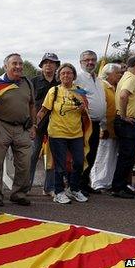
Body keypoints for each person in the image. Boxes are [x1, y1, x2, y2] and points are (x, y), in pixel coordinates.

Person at [0, 53, 36, 207]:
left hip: (22, 128)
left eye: (20, 63)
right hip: (1, 126)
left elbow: (32, 104)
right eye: (14, 64)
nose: (18, 66)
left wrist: (34, 125)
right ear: (6, 66)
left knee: (24, 163)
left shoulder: (27, 83)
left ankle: (19, 194)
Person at [36, 63, 90, 204]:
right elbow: (44, 110)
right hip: (57, 132)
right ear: (59, 76)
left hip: (76, 133)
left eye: (69, 73)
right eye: (63, 73)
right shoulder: (53, 91)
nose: (66, 75)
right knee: (60, 165)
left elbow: (85, 115)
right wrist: (35, 123)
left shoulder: (80, 91)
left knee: (78, 162)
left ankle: (73, 189)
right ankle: (59, 192)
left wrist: (84, 109)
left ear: (74, 75)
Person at [110, 54, 135, 199]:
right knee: (126, 156)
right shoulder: (130, 78)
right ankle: (118, 187)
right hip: (128, 123)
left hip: (130, 123)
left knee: (129, 157)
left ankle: (122, 185)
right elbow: (123, 96)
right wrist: (124, 116)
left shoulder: (128, 77)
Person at [29, 52, 60, 196]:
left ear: (56, 66)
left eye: (52, 62)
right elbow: (28, 103)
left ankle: (49, 187)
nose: (49, 65)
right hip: (37, 124)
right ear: (41, 65)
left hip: (55, 125)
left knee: (53, 156)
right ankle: (25, 187)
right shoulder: (33, 82)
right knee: (32, 155)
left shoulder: (60, 83)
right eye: (46, 62)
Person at [75, 50, 106, 194]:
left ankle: (85, 182)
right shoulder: (78, 79)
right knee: (83, 154)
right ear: (81, 62)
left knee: (92, 153)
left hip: (97, 123)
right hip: (84, 123)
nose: (90, 62)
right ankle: (78, 184)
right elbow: (76, 98)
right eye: (87, 60)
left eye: (93, 59)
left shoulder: (98, 79)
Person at [90, 63, 123, 191]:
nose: (120, 75)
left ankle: (107, 181)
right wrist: (103, 127)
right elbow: (102, 108)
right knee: (101, 155)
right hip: (105, 128)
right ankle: (97, 181)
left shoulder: (114, 87)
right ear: (109, 74)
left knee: (111, 155)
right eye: (117, 73)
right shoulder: (102, 86)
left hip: (114, 129)